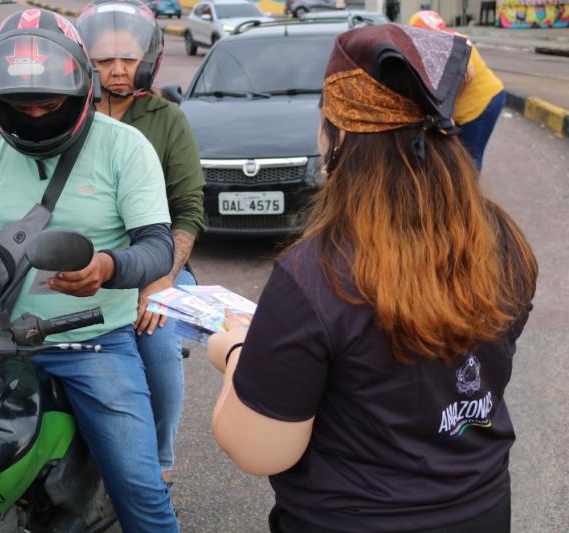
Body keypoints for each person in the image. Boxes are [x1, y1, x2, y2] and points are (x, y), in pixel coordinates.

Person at [206, 24, 537, 532]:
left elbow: (260, 450)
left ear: (337, 140)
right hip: (482, 510)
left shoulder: (315, 275)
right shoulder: (502, 240)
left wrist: (234, 354)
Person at [0, 9, 179, 532]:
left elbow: (157, 246)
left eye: (49, 103)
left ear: (79, 90)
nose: (36, 113)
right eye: (22, 105)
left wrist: (108, 268)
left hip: (92, 343)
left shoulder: (125, 147)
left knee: (141, 492)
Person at [76, 0, 205, 482]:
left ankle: (159, 462)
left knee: (156, 343)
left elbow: (189, 209)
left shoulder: (167, 120)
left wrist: (162, 281)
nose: (116, 71)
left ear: (147, 60)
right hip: (86, 263)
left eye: (127, 59)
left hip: (158, 264)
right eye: (104, 60)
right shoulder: (69, 116)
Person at [409, 10, 505, 171]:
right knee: (462, 154)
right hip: (489, 96)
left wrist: (446, 106)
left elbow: (467, 73)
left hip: (482, 104)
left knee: (469, 158)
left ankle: (469, 194)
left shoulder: (448, 44)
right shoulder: (445, 40)